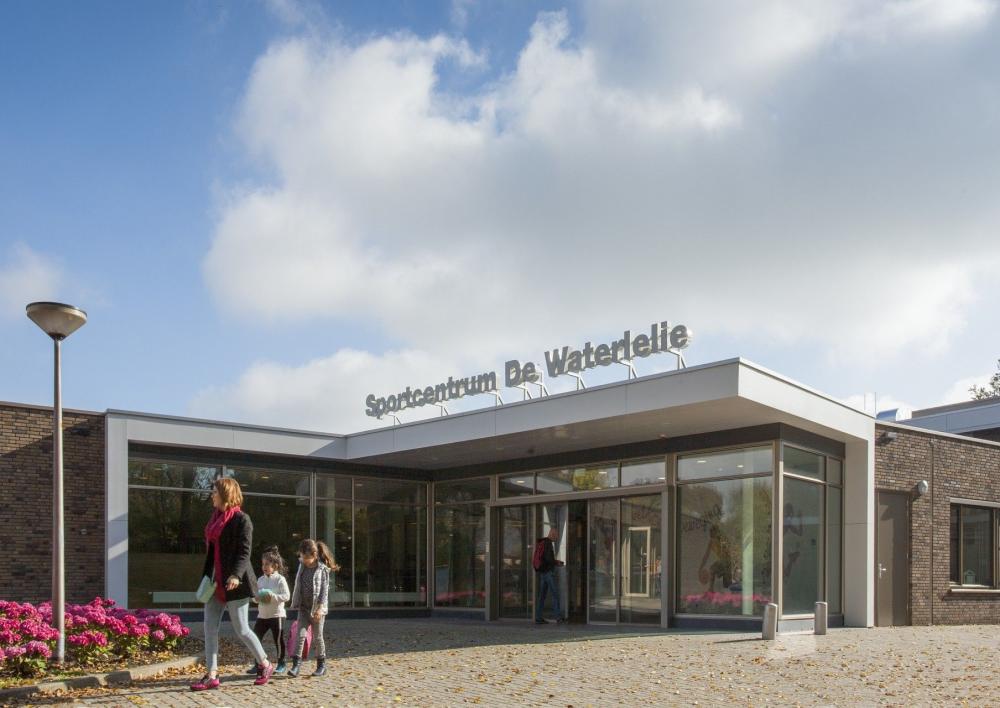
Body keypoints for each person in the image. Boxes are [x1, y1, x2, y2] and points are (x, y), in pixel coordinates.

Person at [191, 478, 274, 691]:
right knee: (210, 628)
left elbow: (244, 552)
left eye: (215, 492)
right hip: (214, 583)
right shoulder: (214, 520)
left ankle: (265, 664)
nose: (212, 495)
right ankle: (212, 674)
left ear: (225, 494)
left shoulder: (242, 520)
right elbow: (212, 555)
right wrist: (206, 577)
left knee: (242, 629)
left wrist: (236, 575)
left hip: (236, 584)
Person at [287, 538, 340, 678]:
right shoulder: (302, 566)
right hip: (304, 608)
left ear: (314, 555)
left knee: (317, 637)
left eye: (306, 558)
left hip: (317, 610)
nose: (303, 560)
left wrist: (320, 609)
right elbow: (298, 585)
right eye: (302, 557)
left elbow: (324, 591)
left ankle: (321, 665)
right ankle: (296, 665)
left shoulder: (322, 570)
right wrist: (296, 601)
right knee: (300, 635)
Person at [245, 546, 291, 676]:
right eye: (262, 564)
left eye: (267, 564)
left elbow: (286, 596)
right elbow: (254, 597)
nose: (264, 567)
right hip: (262, 616)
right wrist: (256, 598)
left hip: (277, 615)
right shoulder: (260, 580)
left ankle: (281, 663)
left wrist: (273, 596)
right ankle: (259, 664)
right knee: (255, 638)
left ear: (275, 565)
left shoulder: (280, 579)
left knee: (278, 640)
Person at [534, 527, 565, 624]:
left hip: (543, 572)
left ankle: (538, 617)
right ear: (552, 534)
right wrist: (556, 563)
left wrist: (554, 561)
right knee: (555, 594)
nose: (557, 537)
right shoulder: (548, 543)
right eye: (556, 535)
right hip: (548, 573)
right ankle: (558, 617)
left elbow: (545, 558)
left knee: (542, 596)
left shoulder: (542, 542)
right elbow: (548, 559)